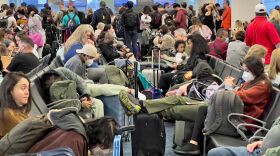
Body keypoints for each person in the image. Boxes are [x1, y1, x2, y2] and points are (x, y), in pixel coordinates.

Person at [208, 118, 280, 156]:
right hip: (259, 150)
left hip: (269, 154)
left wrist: (271, 154)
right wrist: (263, 141)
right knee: (215, 153)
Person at [0, 72, 31, 139]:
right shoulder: (8, 114)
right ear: (9, 90)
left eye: (28, 89)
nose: (27, 92)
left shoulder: (17, 110)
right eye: (23, 88)